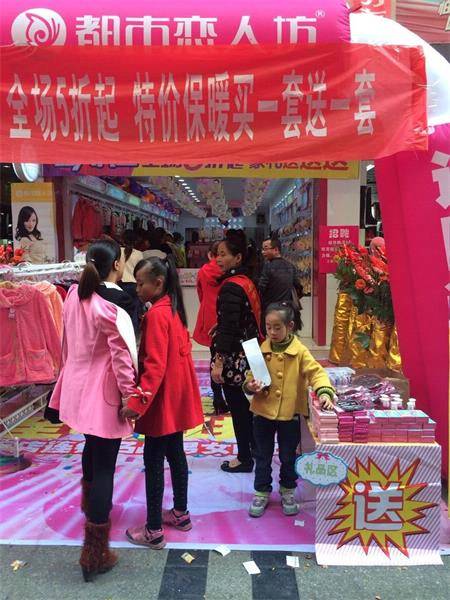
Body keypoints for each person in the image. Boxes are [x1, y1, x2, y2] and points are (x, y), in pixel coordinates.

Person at [49, 239, 141, 582]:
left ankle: (91, 510)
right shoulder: (115, 306)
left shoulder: (74, 294)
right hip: (104, 395)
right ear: (117, 265)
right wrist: (130, 396)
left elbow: (66, 343)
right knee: (105, 466)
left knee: (92, 450)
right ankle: (95, 552)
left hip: (76, 389)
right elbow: (122, 359)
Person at [121, 256, 203, 549]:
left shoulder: (157, 315)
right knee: (176, 454)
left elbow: (154, 366)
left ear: (158, 283)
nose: (137, 289)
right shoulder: (173, 308)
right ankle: (180, 513)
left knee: (154, 461)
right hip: (175, 398)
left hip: (161, 401)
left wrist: (137, 403)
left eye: (140, 283)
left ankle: (154, 530)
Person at [243, 302, 335, 518]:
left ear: (290, 326)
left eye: (277, 327)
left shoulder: (300, 351)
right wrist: (251, 386)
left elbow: (316, 373)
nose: (272, 332)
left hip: (290, 414)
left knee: (288, 456)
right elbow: (250, 377)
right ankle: (261, 491)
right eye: (268, 327)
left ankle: (287, 490)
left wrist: (324, 391)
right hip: (262, 413)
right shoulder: (261, 350)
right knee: (262, 455)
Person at [211, 230, 261, 473]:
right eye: (217, 254)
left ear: (238, 257)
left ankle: (244, 458)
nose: (218, 259)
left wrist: (219, 362)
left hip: (237, 356)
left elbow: (229, 328)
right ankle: (254, 449)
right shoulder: (247, 281)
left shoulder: (231, 287)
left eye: (223, 254)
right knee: (252, 406)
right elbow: (241, 318)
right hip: (252, 349)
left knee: (239, 408)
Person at [193, 241, 228, 415]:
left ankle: (217, 397)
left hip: (209, 316)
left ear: (210, 254)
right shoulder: (228, 271)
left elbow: (200, 294)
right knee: (227, 355)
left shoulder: (203, 271)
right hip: (227, 315)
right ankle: (227, 395)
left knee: (214, 356)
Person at [259, 237, 303, 332]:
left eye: (266, 249)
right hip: (287, 309)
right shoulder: (291, 266)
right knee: (287, 333)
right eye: (262, 249)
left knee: (272, 333)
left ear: (276, 250)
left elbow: (261, 288)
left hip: (271, 309)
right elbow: (298, 287)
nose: (263, 252)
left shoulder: (268, 266)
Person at [120, 230, 144, 330]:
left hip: (121, 284)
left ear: (123, 239)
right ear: (135, 241)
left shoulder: (118, 251)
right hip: (134, 285)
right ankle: (133, 333)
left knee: (121, 311)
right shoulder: (139, 254)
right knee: (134, 310)